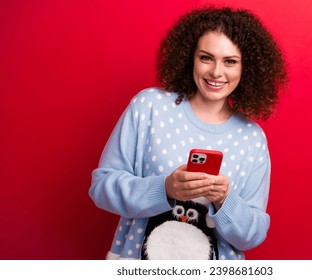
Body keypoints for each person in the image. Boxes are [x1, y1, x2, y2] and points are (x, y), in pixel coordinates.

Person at [89, 6, 287, 260]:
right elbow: (101, 187)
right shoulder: (149, 107)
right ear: (189, 57)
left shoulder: (252, 138)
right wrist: (165, 188)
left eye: (230, 61)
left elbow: (253, 235)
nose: (216, 72)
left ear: (246, 68)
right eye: (206, 57)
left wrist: (225, 201)